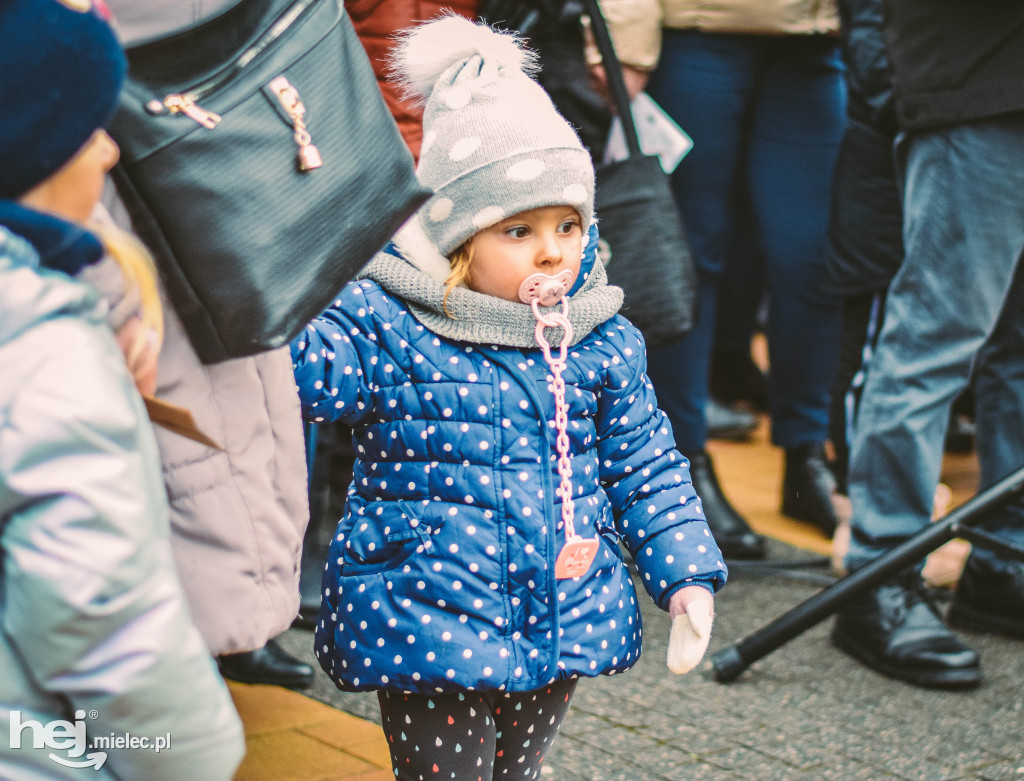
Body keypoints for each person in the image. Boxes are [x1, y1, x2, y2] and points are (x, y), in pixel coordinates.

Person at [291, 16, 727, 778]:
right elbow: (301, 370)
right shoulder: (387, 320)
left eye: (568, 224)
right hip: (428, 614)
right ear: (457, 238)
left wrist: (684, 573)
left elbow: (646, 465)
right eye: (518, 230)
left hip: (561, 615)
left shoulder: (598, 336)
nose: (553, 249)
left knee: (516, 771)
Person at [0, 2, 244, 777]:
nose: (107, 150)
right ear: (28, 153)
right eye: (85, 129)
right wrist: (192, 759)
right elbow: (99, 614)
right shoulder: (43, 354)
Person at [101, 0, 314, 689]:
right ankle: (191, 646)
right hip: (118, 126)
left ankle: (227, 624)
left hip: (210, 97)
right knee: (178, 411)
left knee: (240, 398)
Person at [592, 0, 846, 557]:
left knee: (812, 259)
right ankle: (678, 468)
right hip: (695, 36)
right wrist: (624, 44)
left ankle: (806, 456)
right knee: (688, 256)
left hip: (814, 38)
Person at [831, 1, 1024, 688]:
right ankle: (880, 575)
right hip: (974, 77)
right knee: (935, 340)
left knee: (1018, 351)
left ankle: (1004, 562)